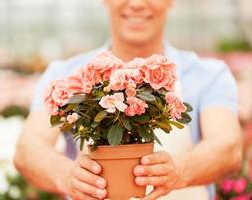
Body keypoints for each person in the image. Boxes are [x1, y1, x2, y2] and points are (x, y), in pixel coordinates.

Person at [14, 0, 243, 199]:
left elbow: (228, 146)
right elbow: (28, 149)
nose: (136, 3)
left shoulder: (207, 75)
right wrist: (66, 175)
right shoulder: (65, 76)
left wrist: (180, 170)